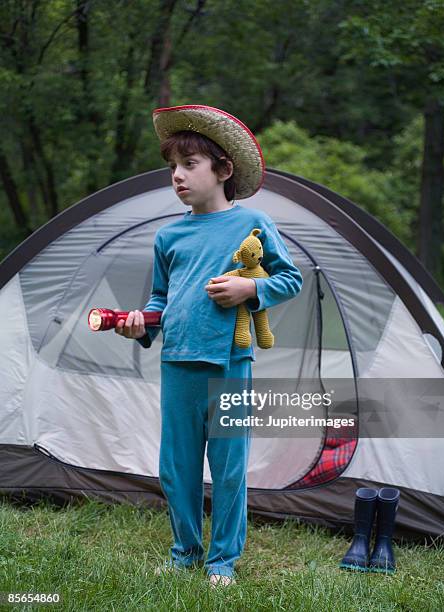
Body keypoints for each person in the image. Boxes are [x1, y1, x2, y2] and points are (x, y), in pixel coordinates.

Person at [115, 105, 303, 586]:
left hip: (230, 364)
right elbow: (161, 299)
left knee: (229, 469)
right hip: (177, 363)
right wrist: (142, 326)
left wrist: (251, 290)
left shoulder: (253, 222)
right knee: (175, 470)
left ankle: (222, 562)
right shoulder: (168, 235)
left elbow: (290, 278)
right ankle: (185, 552)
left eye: (189, 165)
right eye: (172, 168)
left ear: (223, 170)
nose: (177, 176)